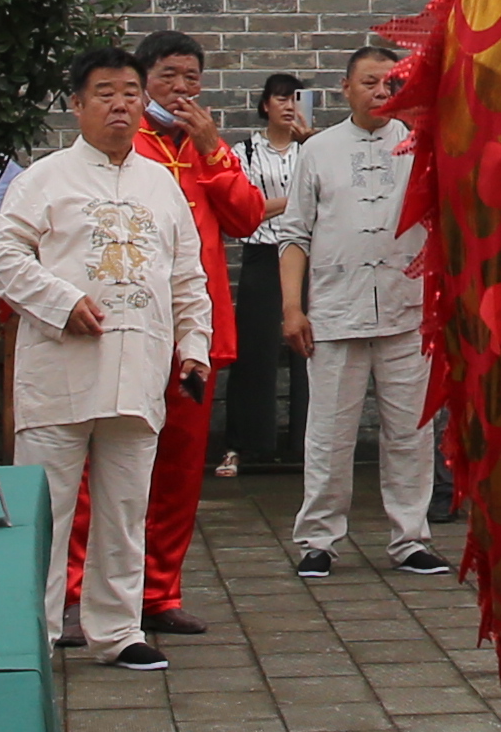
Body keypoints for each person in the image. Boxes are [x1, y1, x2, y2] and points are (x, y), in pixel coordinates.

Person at [0, 53, 217, 670]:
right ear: (76, 105)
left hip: (139, 369)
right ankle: (29, 633)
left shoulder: (161, 184)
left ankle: (117, 631)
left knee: (124, 510)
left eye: (130, 94)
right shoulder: (45, 178)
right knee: (47, 511)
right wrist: (62, 303)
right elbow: (3, 257)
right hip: (60, 369)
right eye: (105, 94)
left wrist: (193, 349)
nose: (120, 105)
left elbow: (188, 277)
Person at [289, 43, 439, 579]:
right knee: (329, 432)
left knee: (411, 432)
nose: (380, 93)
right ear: (345, 89)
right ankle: (319, 538)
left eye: (391, 85)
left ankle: (411, 536)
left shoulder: (423, 146)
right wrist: (292, 307)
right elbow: (295, 234)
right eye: (370, 83)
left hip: (408, 311)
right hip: (334, 311)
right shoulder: (318, 151)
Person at [126, 34, 260, 629]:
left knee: (180, 471)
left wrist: (213, 151)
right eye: (168, 77)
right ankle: (81, 594)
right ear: (142, 81)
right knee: (112, 467)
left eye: (191, 78)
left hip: (199, 334)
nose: (181, 90)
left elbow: (248, 216)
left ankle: (160, 594)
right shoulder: (123, 143)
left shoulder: (208, 145)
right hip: (133, 327)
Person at [231, 72, 314, 483]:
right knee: (255, 351)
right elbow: (244, 208)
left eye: (295, 98)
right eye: (280, 98)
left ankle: (307, 445)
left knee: (310, 352)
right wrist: (296, 200)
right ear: (265, 105)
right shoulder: (243, 150)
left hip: (306, 255)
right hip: (262, 254)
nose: (288, 106)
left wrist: (310, 142)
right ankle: (249, 444)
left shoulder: (315, 150)